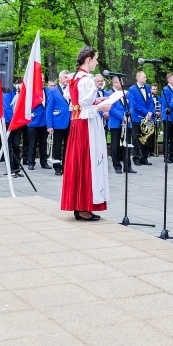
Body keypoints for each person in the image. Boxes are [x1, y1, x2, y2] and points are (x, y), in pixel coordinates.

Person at [61, 46, 111, 221]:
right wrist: (101, 107)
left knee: (79, 161)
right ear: (88, 59)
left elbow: (78, 104)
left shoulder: (75, 78)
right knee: (87, 162)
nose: (96, 62)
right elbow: (84, 107)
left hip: (77, 123)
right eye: (95, 59)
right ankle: (83, 205)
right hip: (85, 125)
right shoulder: (87, 80)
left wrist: (96, 101)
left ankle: (80, 204)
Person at [108, 76, 136, 174]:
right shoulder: (109, 93)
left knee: (127, 144)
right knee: (115, 145)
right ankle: (117, 166)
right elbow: (111, 108)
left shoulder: (126, 93)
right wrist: (122, 117)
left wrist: (129, 115)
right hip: (116, 123)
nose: (122, 84)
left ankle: (127, 166)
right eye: (120, 82)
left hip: (127, 122)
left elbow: (131, 105)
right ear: (115, 83)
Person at [127, 71, 155, 165]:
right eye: (144, 77)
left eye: (145, 77)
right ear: (138, 78)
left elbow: (151, 101)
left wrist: (150, 112)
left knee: (146, 137)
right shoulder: (132, 89)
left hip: (147, 117)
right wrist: (146, 112)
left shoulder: (147, 87)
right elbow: (134, 104)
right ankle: (136, 157)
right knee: (136, 138)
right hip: (137, 117)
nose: (146, 78)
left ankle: (144, 157)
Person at [46, 70, 71, 175]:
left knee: (68, 146)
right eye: (65, 77)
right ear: (60, 78)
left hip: (71, 122)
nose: (67, 79)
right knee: (57, 145)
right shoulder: (53, 91)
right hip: (58, 122)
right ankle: (57, 166)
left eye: (68, 77)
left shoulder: (72, 89)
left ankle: (66, 165)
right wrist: (49, 125)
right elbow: (49, 109)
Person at [27, 87, 50, 170]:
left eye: (43, 80)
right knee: (32, 144)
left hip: (44, 121)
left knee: (44, 143)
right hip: (34, 122)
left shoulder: (47, 90)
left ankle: (44, 162)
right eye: (41, 80)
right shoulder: (30, 90)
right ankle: (31, 163)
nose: (42, 81)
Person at [160, 73, 173, 163]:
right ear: (169, 80)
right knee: (166, 137)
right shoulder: (165, 90)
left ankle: (172, 155)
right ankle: (166, 156)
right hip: (168, 116)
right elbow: (167, 103)